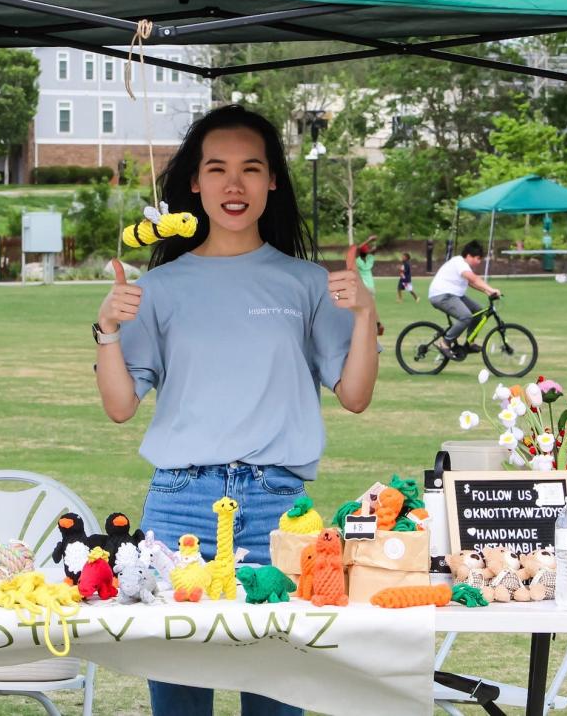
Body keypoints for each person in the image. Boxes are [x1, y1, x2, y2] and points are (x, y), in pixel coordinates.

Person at [94, 105, 378, 716]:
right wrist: (108, 330)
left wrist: (364, 316)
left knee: (278, 697)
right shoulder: (160, 288)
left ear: (272, 180)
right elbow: (120, 407)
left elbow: (354, 395)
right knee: (180, 698)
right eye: (217, 169)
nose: (234, 185)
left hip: (279, 509)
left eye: (251, 169)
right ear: (194, 183)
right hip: (179, 510)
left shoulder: (305, 283)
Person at [428, 241, 500, 360]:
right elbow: (473, 278)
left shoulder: (464, 266)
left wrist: (487, 292)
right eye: (477, 258)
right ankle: (445, 343)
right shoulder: (459, 262)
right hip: (441, 295)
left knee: (480, 312)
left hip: (454, 295)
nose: (479, 261)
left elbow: (471, 282)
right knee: (466, 316)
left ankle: (470, 343)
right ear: (468, 256)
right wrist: (491, 289)